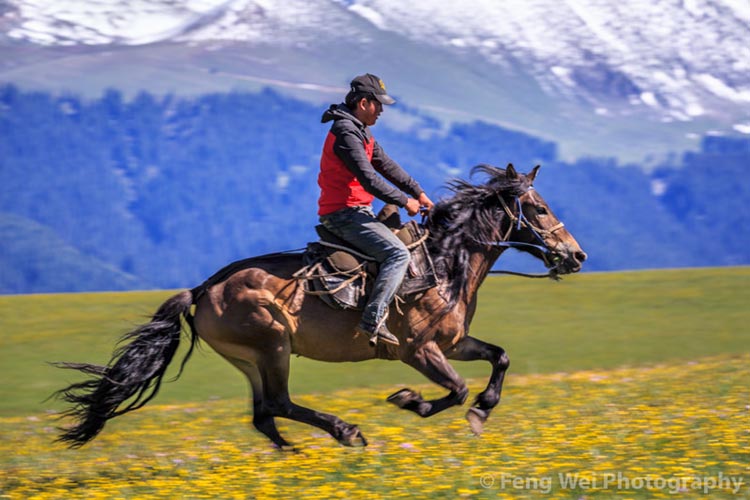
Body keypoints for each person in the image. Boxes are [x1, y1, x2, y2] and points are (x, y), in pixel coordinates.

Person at [318, 73, 434, 347]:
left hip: (357, 211)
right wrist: (406, 202)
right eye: (378, 104)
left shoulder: (360, 130)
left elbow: (386, 164)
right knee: (397, 254)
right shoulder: (345, 132)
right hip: (343, 214)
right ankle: (373, 319)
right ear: (362, 103)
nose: (381, 110)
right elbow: (369, 178)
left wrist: (417, 191)